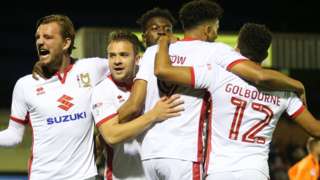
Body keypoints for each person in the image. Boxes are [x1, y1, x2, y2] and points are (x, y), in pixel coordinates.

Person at [118, 1, 307, 179]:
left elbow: (134, 105)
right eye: (216, 28)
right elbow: (258, 75)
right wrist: (297, 84)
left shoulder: (154, 52)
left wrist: (109, 124)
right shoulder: (215, 51)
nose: (217, 33)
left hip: (150, 154)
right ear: (208, 30)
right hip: (185, 153)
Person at [154, 23, 320, 180]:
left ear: (236, 49)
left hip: (219, 171)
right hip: (255, 171)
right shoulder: (285, 91)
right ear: (265, 55)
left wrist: (163, 43)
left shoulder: (218, 74)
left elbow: (164, 71)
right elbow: (316, 130)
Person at [0, 14, 109, 179]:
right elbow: (13, 136)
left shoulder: (91, 68)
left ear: (66, 43)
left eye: (48, 37)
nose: (40, 42)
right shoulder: (25, 85)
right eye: (37, 37)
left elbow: (133, 64)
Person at [91, 31, 184, 180]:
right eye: (112, 55)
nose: (117, 61)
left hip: (160, 174)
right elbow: (111, 135)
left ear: (137, 59)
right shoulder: (102, 90)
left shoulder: (153, 81)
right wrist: (153, 115)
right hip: (123, 176)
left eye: (123, 55)